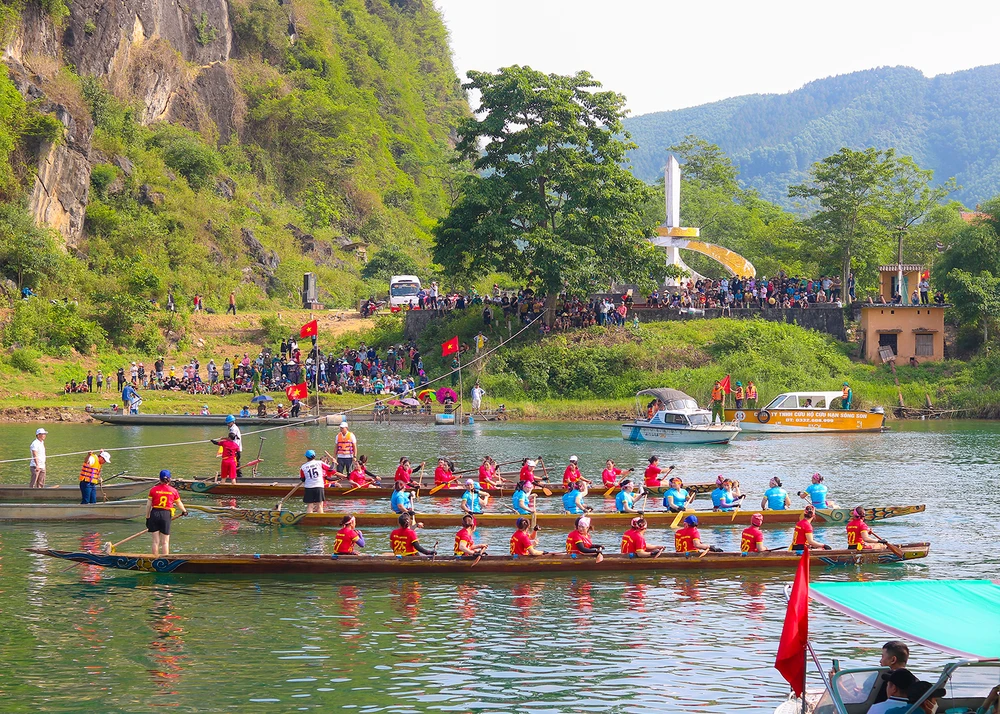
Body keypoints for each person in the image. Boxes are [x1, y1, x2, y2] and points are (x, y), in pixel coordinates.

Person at [145, 470, 187, 556]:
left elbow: (148, 505)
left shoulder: (153, 490)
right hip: (166, 514)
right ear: (169, 479)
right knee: (165, 542)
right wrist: (184, 511)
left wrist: (147, 517)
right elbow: (179, 503)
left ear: (159, 479)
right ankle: (165, 559)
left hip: (155, 513)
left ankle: (154, 558)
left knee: (155, 541)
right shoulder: (173, 491)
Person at [299, 450, 327, 514]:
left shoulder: (303, 467)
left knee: (310, 506)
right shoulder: (319, 463)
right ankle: (320, 518)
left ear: (306, 457)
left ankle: (309, 518)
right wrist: (333, 462)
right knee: (320, 506)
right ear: (314, 456)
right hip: (319, 486)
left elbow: (302, 479)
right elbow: (330, 469)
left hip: (309, 487)